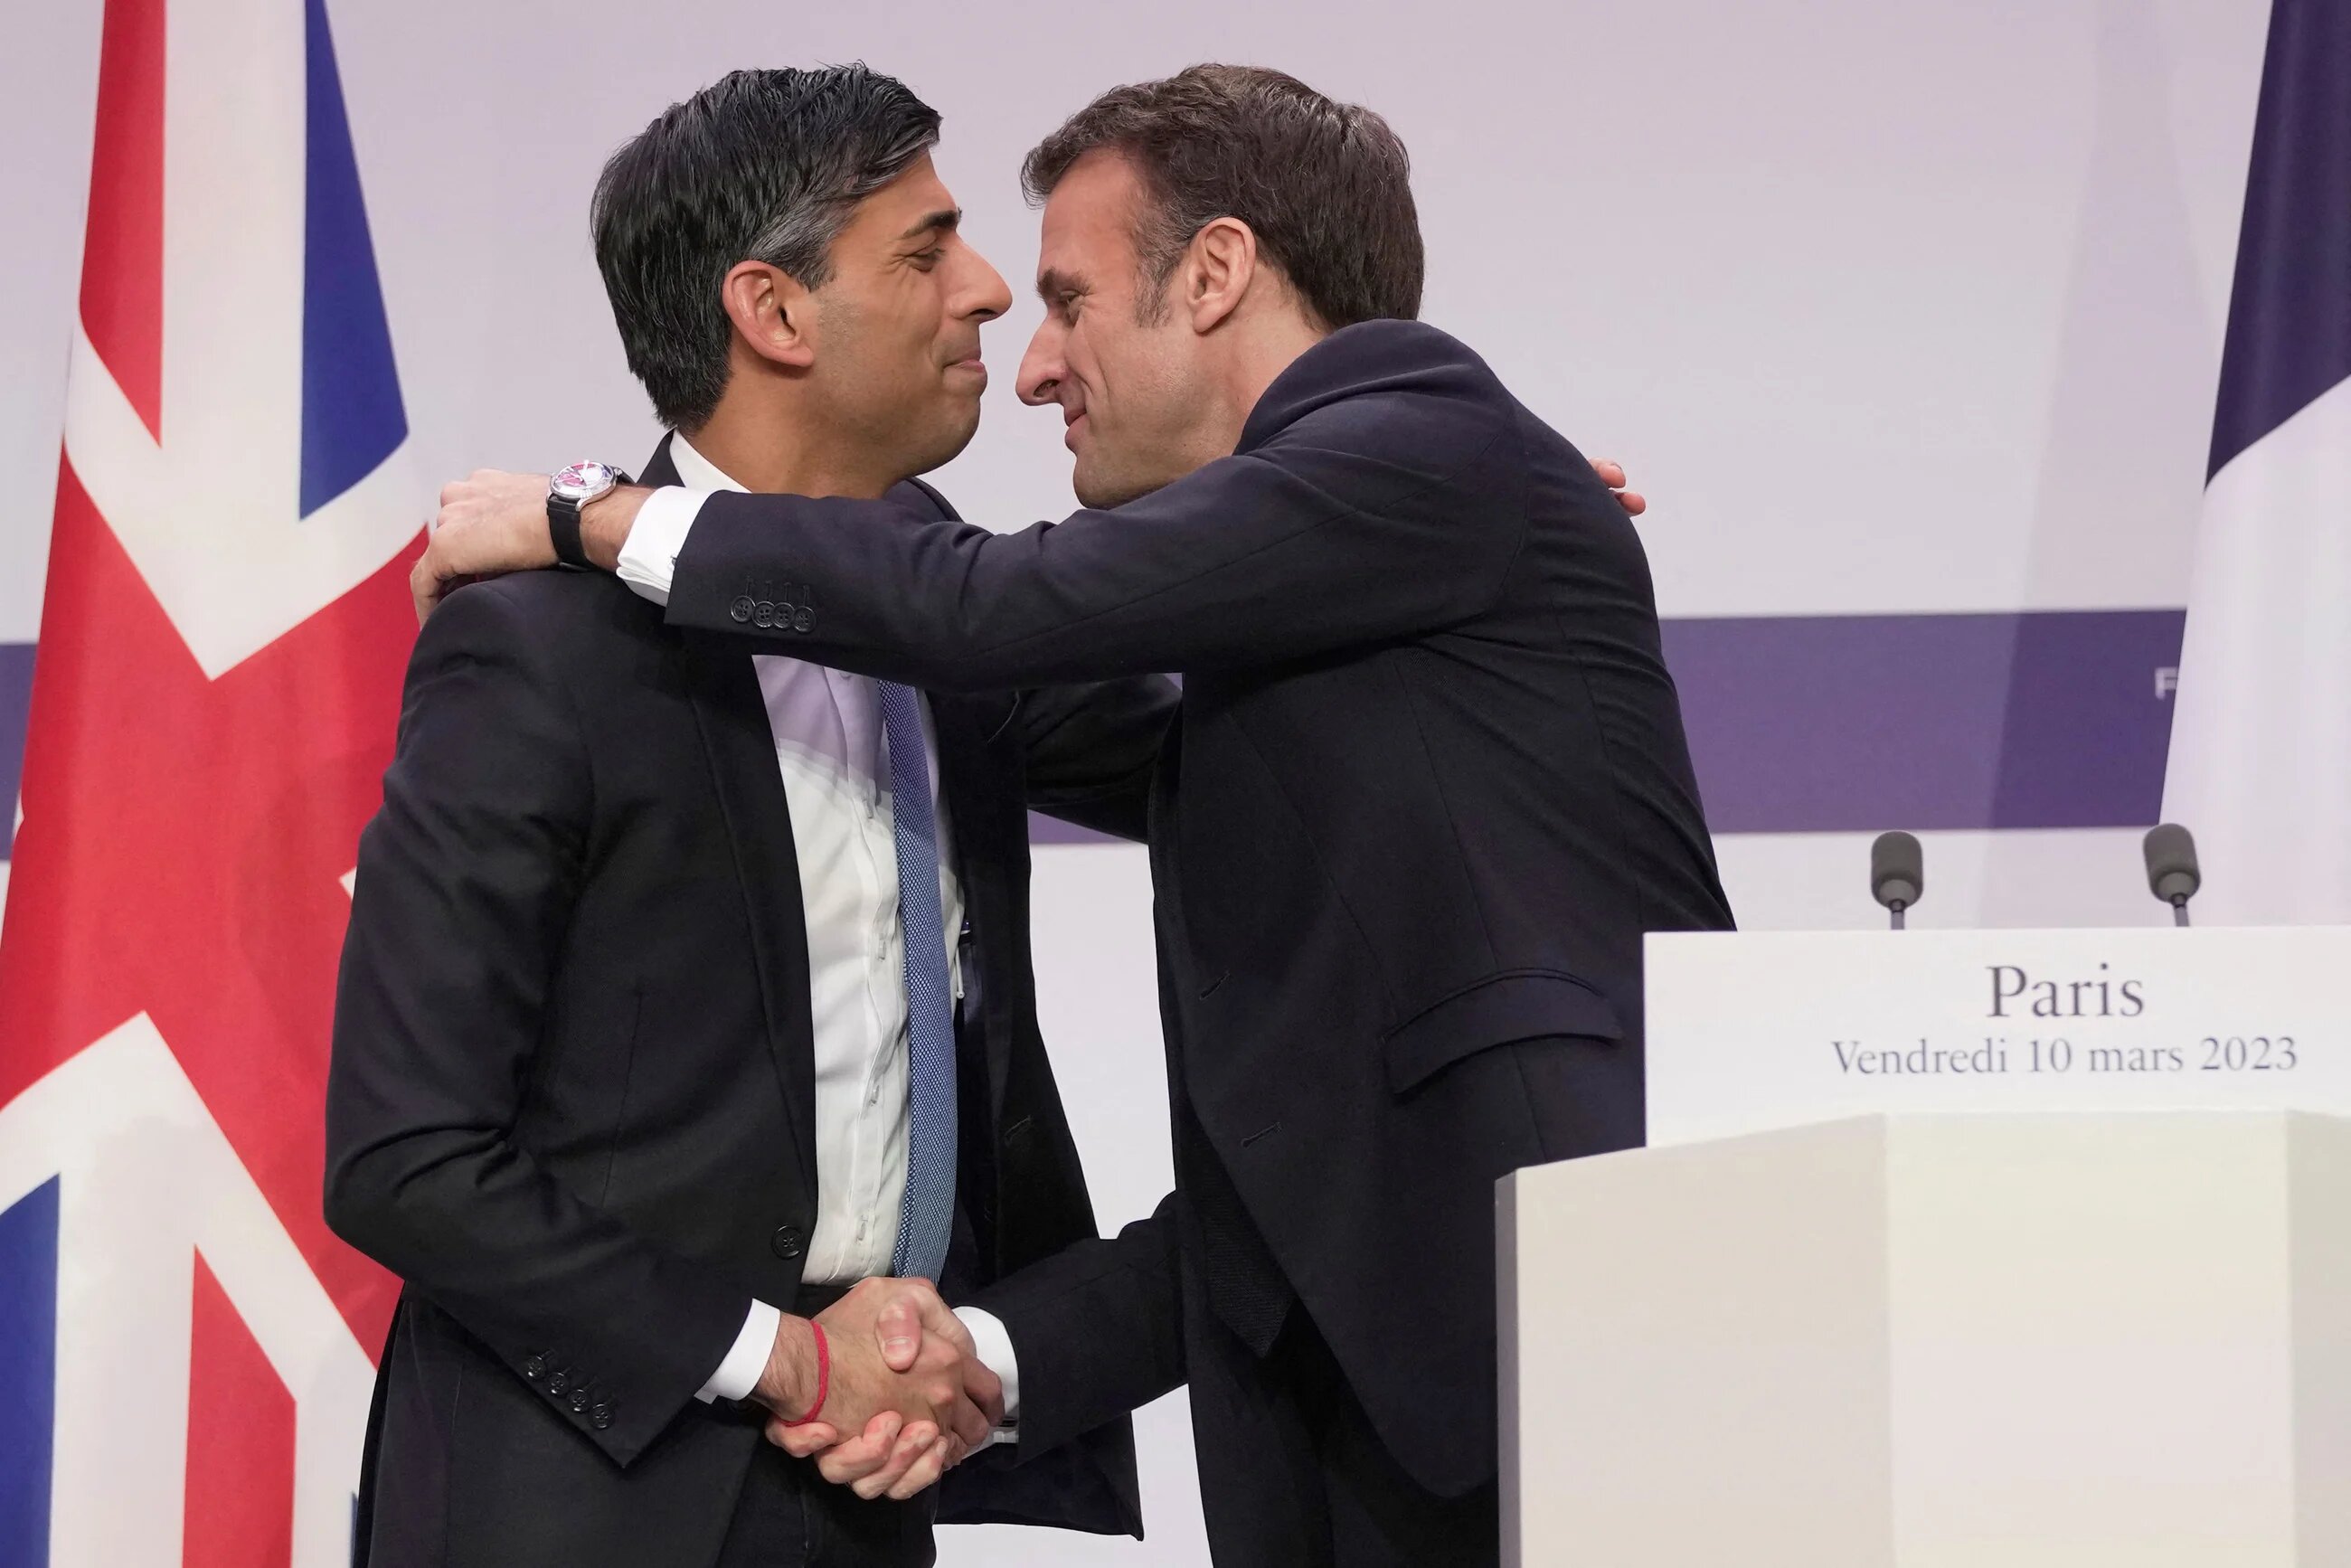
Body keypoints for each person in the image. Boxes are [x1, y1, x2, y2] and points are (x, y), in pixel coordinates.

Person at [424, 64, 1711, 1567]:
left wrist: (590, 514)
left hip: (1559, 1377)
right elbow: (1272, 1195)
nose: (1031, 364)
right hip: (1374, 1435)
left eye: (1068, 297)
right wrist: (984, 1358)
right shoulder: (1353, 618)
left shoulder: (1429, 437)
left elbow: (984, 609)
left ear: (1217, 272)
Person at [325, 66, 1175, 1568]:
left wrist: (1436, 526)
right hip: (581, 1502)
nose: (986, 292)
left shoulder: (950, 609)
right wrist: (783, 1354)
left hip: (866, 1488)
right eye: (924, 251)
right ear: (774, 315)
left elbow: (1211, 754)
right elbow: (407, 1156)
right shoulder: (538, 648)